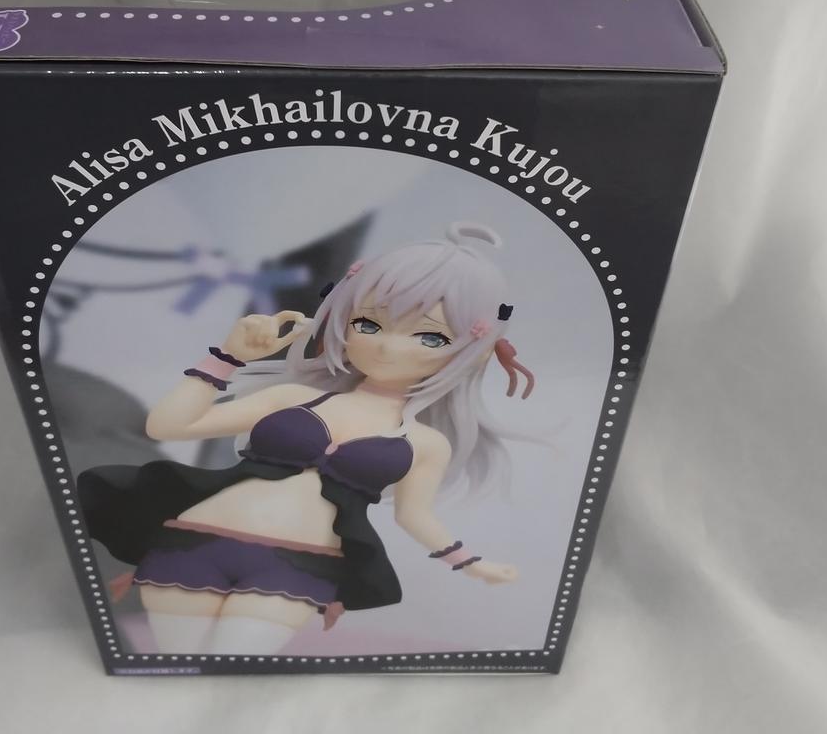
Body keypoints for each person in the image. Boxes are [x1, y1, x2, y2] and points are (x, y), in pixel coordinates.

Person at [78, 222, 536, 655]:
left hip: (296, 566)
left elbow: (413, 515)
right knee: (180, 667)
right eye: (369, 324)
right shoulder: (293, 397)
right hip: (193, 543)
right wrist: (226, 359)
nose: (387, 346)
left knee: (233, 665)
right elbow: (168, 426)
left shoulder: (426, 444)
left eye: (431, 337)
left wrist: (472, 564)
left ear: (475, 352)